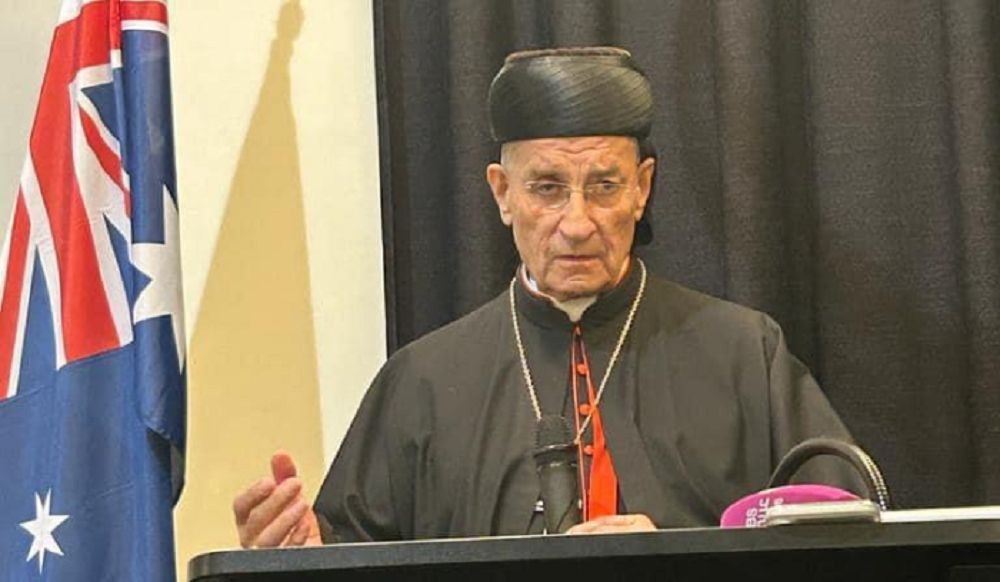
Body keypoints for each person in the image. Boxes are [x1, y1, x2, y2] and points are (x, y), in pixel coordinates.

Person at [233, 46, 863, 548]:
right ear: (502, 193)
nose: (578, 223)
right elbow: (354, 554)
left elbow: (838, 536)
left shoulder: (743, 353)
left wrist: (673, 553)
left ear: (642, 188)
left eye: (605, 186)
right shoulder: (421, 381)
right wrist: (301, 551)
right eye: (547, 188)